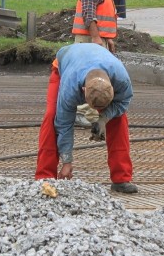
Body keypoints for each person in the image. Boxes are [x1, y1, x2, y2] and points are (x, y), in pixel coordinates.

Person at [36, 43, 138, 194]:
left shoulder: (121, 80)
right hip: (65, 65)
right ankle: (45, 177)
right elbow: (64, 124)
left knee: (119, 118)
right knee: (52, 115)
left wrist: (104, 119)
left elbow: (123, 102)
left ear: (112, 88)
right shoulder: (70, 86)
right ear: (83, 91)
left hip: (95, 62)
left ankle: (121, 178)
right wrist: (67, 161)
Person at [71, 0, 120, 127]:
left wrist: (107, 38)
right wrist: (96, 36)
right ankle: (83, 112)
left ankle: (89, 112)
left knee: (96, 75)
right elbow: (88, 12)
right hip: (89, 41)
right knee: (89, 75)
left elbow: (100, 14)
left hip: (96, 40)